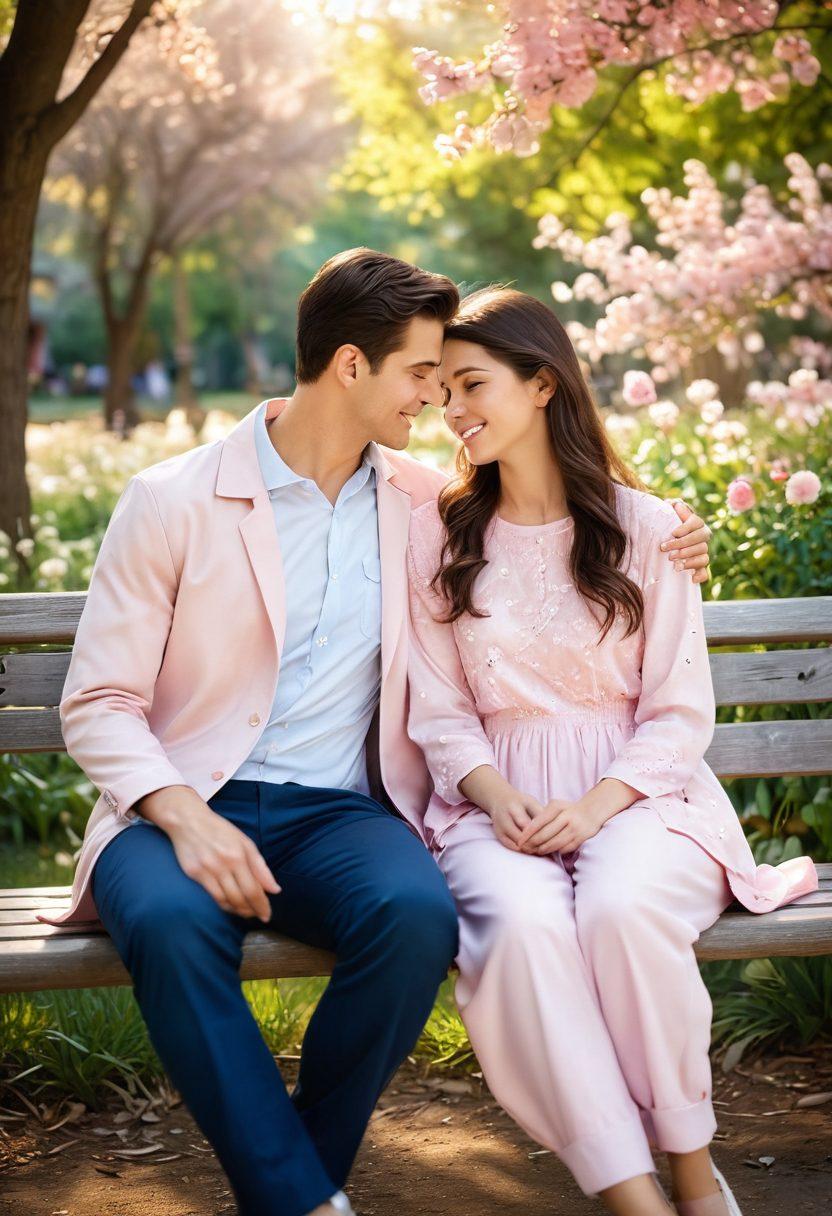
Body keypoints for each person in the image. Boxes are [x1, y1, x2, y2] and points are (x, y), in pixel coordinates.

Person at [37, 250, 713, 1216]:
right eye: (422, 374)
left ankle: (294, 1182)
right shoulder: (172, 499)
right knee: (171, 925)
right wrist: (184, 817)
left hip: (334, 815)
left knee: (415, 918)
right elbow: (98, 701)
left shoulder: (422, 504)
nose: (436, 398)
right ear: (351, 365)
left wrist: (677, 530)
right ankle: (306, 1200)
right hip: (174, 805)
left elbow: (553, 521)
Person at [405, 287, 818, 1216]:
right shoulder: (439, 534)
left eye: (472, 384)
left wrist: (596, 807)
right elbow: (439, 709)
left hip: (640, 795)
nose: (453, 410)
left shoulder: (648, 527)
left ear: (543, 383)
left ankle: (691, 1167)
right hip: (493, 800)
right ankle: (632, 1194)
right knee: (523, 930)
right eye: (443, 393)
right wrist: (494, 794)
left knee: (621, 911)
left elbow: (678, 710)